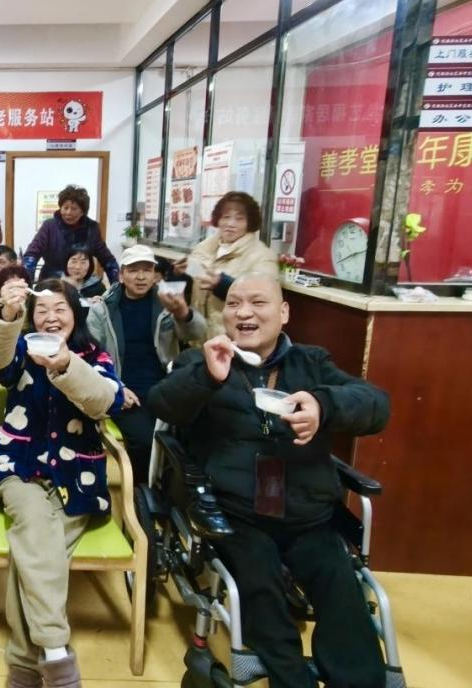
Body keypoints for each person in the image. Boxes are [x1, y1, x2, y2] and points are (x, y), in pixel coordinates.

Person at [148, 274, 390, 688]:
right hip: (237, 514)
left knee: (340, 586)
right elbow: (161, 404)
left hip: (308, 511)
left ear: (284, 312)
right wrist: (208, 377)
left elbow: (376, 404)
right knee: (259, 582)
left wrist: (324, 405)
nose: (244, 312)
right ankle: (291, 679)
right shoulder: (203, 360)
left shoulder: (312, 364)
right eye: (234, 303)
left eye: (258, 303)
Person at [0, 277, 124, 688]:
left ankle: (25, 664)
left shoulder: (92, 355)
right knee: (36, 527)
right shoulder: (21, 350)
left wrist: (64, 366)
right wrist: (6, 314)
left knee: (36, 551)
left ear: (75, 314)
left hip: (78, 475)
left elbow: (106, 401)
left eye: (60, 308)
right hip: (18, 468)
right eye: (42, 309)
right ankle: (57, 653)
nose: (51, 317)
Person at [87, 244, 206, 480]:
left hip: (165, 386)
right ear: (121, 275)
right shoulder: (102, 309)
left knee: (192, 434)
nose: (141, 276)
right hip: (125, 390)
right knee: (145, 440)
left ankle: (175, 490)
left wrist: (183, 313)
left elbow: (196, 333)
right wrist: (115, 386)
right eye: (133, 270)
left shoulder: (167, 304)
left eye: (147, 270)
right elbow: (91, 355)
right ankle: (142, 492)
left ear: (155, 275)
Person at [178, 191, 278, 340]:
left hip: (233, 341)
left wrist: (223, 284)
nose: (230, 224)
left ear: (249, 223)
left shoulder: (263, 256)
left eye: (239, 218)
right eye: (226, 217)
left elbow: (265, 299)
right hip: (198, 337)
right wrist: (179, 274)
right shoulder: (204, 249)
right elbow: (194, 284)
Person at [22, 185, 119, 283]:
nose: (68, 212)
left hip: (82, 282)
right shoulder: (49, 226)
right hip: (52, 281)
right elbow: (31, 254)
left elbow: (107, 259)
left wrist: (117, 285)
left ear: (83, 211)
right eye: (65, 208)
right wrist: (27, 283)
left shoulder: (92, 228)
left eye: (74, 209)